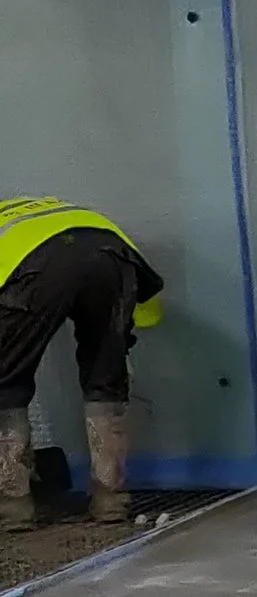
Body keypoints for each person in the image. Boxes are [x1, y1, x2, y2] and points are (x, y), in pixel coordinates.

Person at [0, 198, 166, 533]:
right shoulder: (30, 211)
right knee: (106, 382)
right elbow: (141, 312)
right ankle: (111, 500)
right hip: (112, 253)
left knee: (4, 386)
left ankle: (12, 509)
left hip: (35, 264)